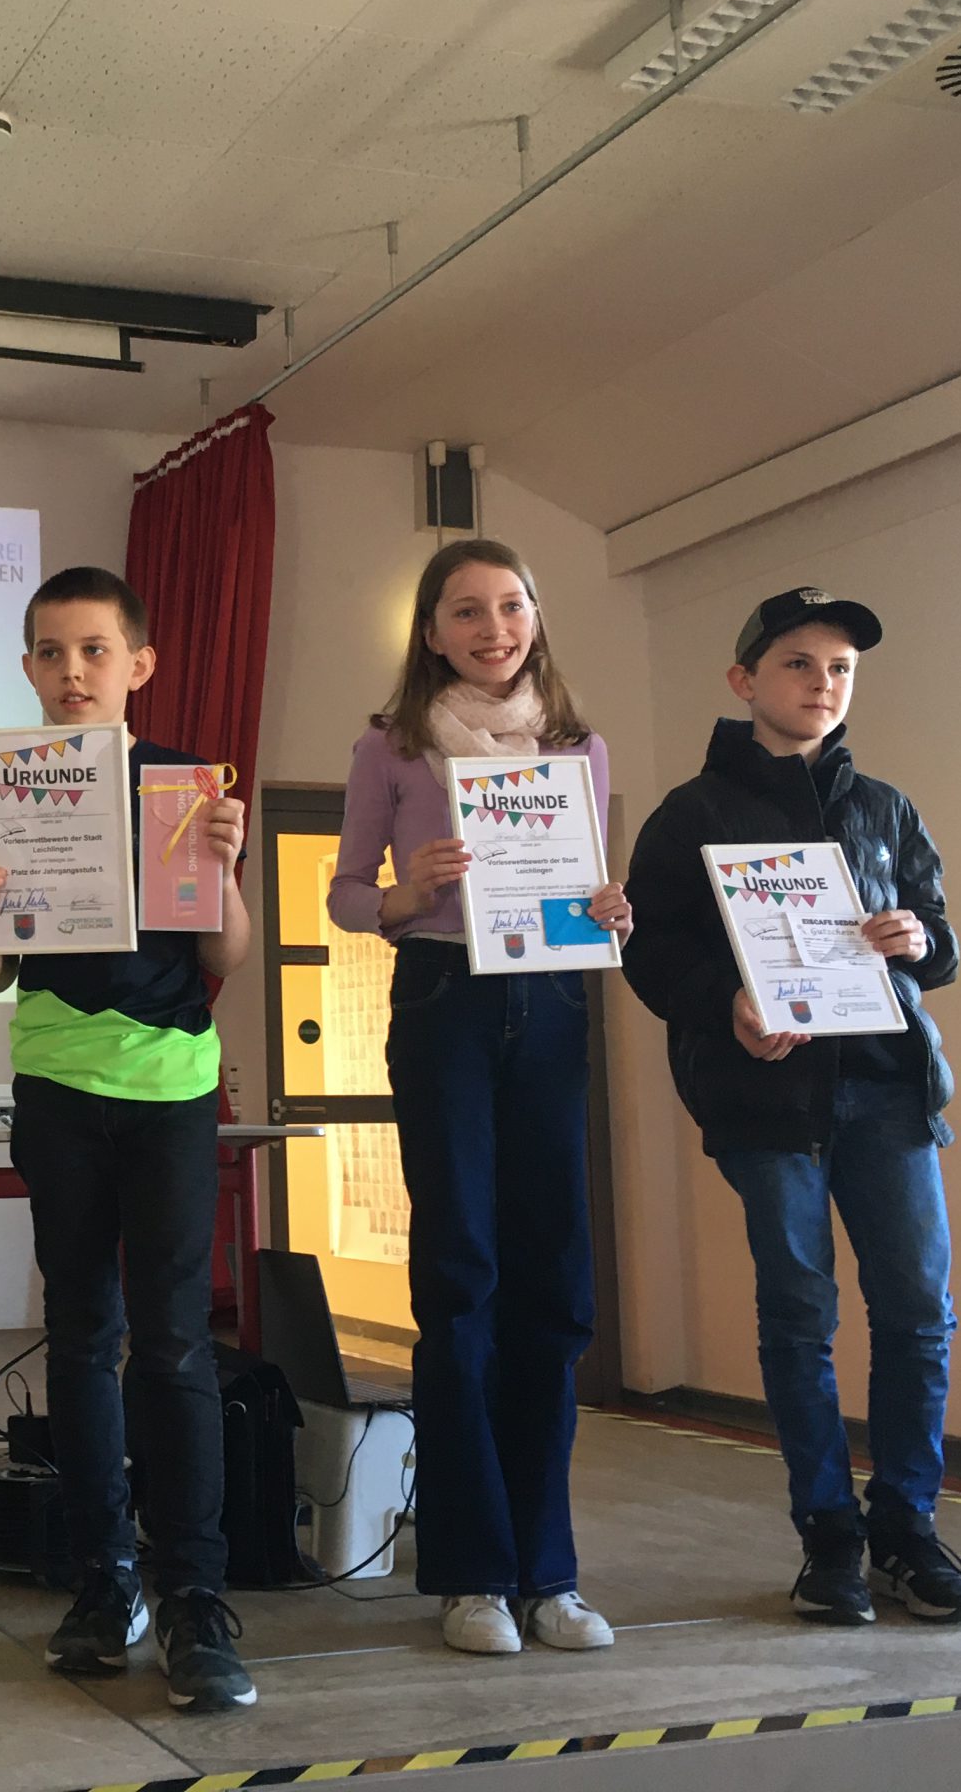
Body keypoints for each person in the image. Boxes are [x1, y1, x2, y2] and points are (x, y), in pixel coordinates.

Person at [622, 588, 961, 1626]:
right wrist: (725, 1004)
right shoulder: (691, 814)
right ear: (744, 680)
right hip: (766, 1101)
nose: (822, 684)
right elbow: (650, 952)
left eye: (839, 669)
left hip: (889, 1093)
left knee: (918, 1314)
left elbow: (940, 941)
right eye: (797, 664)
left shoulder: (886, 808)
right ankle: (829, 1539)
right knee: (798, 1314)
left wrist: (920, 939)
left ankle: (905, 1529)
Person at [0, 564, 256, 1714]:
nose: (71, 671)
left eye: (93, 650)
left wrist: (222, 867)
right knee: (81, 1336)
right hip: (56, 1085)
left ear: (139, 663)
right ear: (27, 668)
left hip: (169, 1086)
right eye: (50, 652)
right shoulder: (6, 789)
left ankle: (194, 1596)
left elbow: (223, 956)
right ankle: (101, 1579)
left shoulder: (183, 788)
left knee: (173, 1342)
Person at [328, 537, 628, 1659]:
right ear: (430, 631)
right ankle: (471, 1576)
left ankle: (550, 1573)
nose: (492, 628)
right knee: (460, 1279)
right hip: (443, 995)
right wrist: (408, 893)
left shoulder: (578, 747)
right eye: (466, 610)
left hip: (549, 998)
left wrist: (612, 910)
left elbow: (585, 885)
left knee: (555, 1281)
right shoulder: (391, 746)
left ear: (536, 618)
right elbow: (346, 896)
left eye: (511, 606)